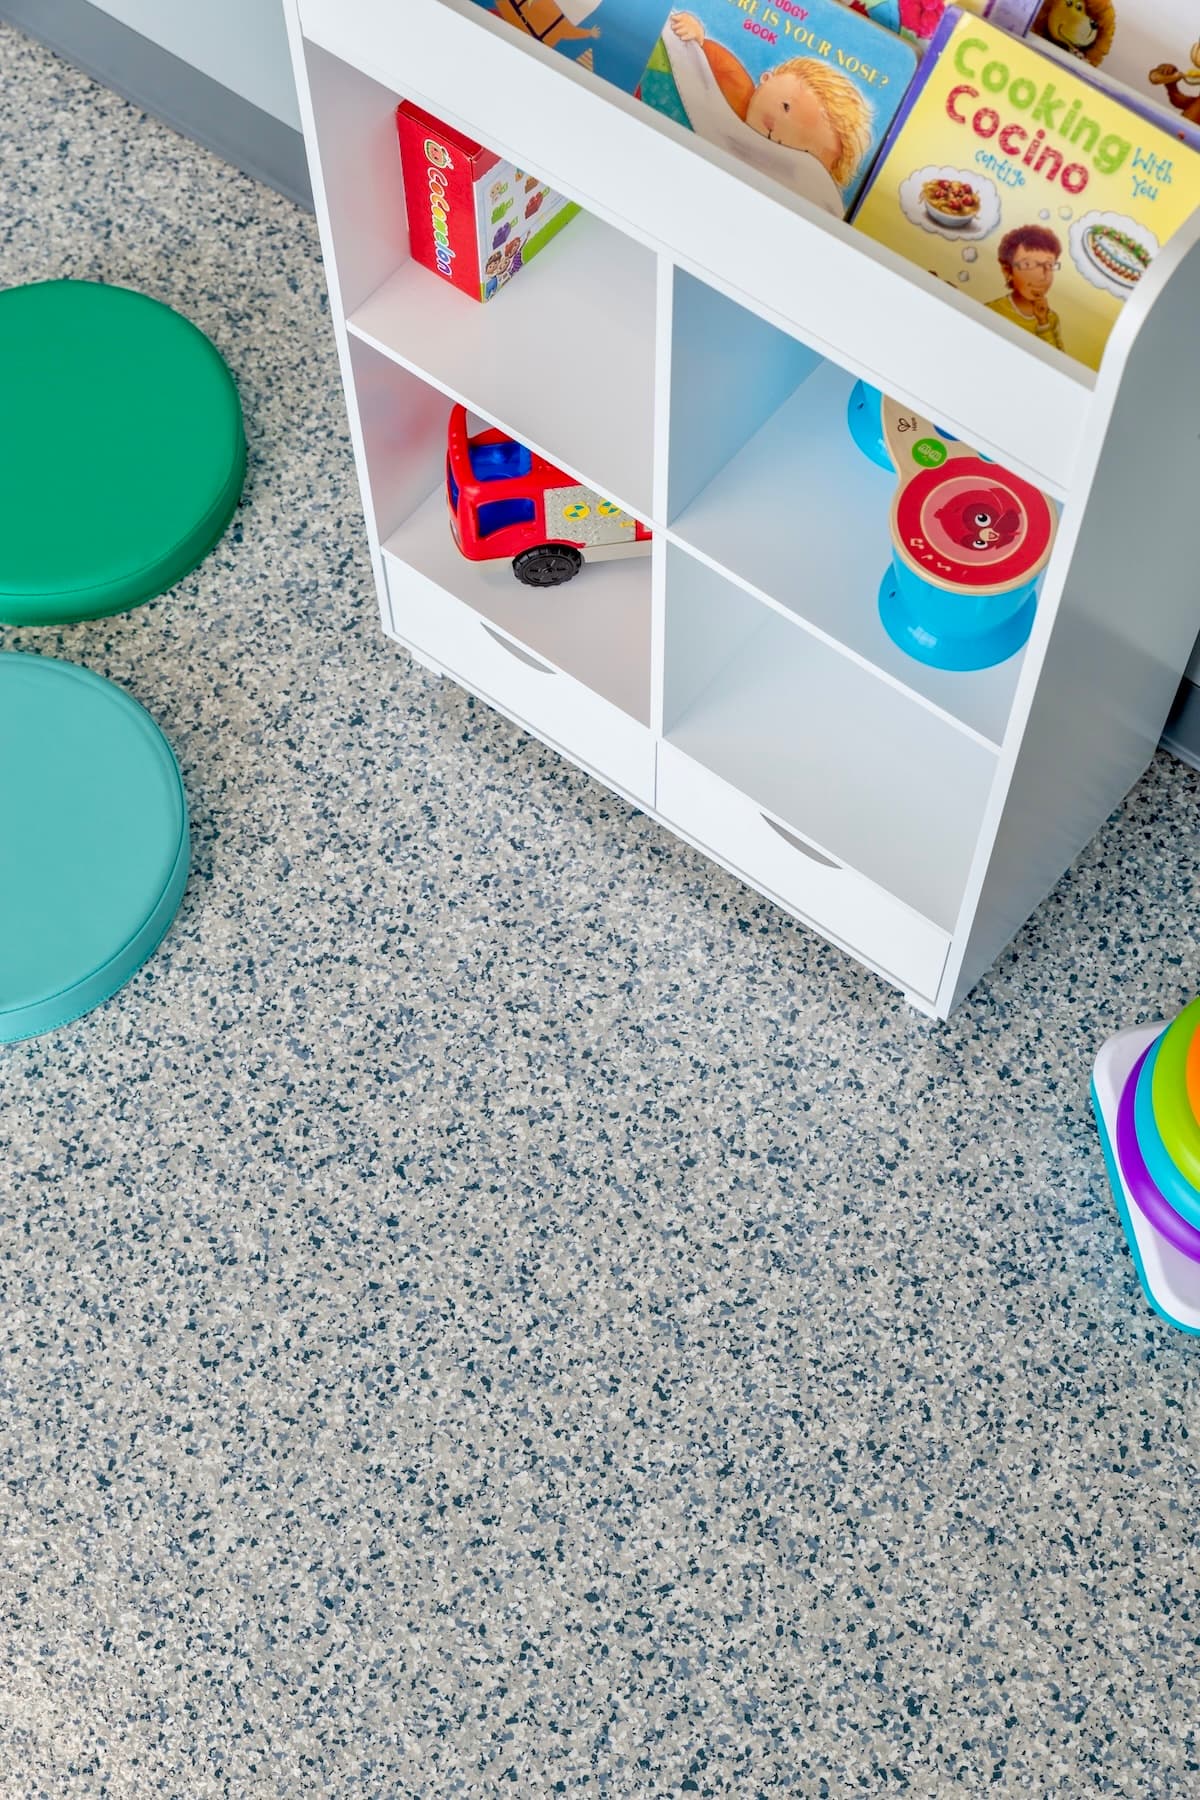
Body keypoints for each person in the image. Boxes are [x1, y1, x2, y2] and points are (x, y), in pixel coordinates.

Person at [985, 225, 1065, 353]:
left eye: (1049, 265)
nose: (1041, 276)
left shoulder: (1051, 319)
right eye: (1027, 264)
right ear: (1007, 270)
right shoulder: (993, 311)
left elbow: (1059, 360)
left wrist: (1043, 323)